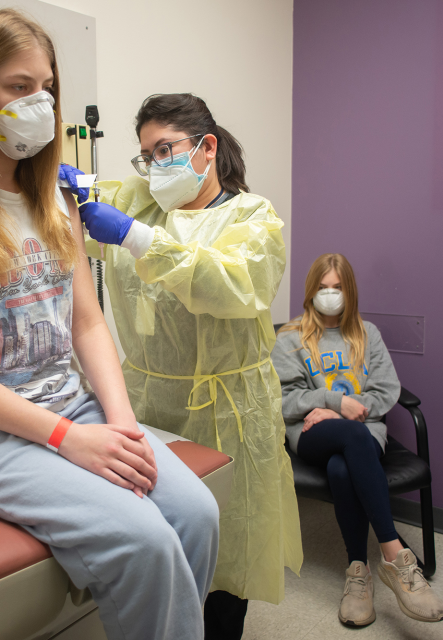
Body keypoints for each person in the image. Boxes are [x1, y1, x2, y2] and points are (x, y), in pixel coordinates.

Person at [0, 12, 219, 640]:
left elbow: (87, 323)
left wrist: (121, 425)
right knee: (144, 540)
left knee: (197, 512)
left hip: (74, 409)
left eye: (46, 88)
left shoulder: (57, 202)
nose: (38, 103)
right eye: (17, 86)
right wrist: (69, 440)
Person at [73, 93, 303, 639]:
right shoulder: (143, 205)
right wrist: (63, 186)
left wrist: (133, 237)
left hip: (228, 411)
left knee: (227, 554)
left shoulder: (252, 216)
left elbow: (231, 285)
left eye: (165, 149)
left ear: (207, 148)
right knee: (157, 546)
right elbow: (82, 209)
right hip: (146, 403)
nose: (156, 166)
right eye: (146, 155)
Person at [272, 253, 443, 627]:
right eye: (323, 288)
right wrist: (334, 401)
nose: (330, 295)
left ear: (349, 291)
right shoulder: (290, 338)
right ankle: (395, 556)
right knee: (349, 436)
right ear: (311, 291)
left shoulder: (368, 335)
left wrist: (344, 410)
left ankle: (358, 573)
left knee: (342, 466)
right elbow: (283, 401)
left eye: (337, 288)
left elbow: (386, 392)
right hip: (310, 434)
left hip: (363, 434)